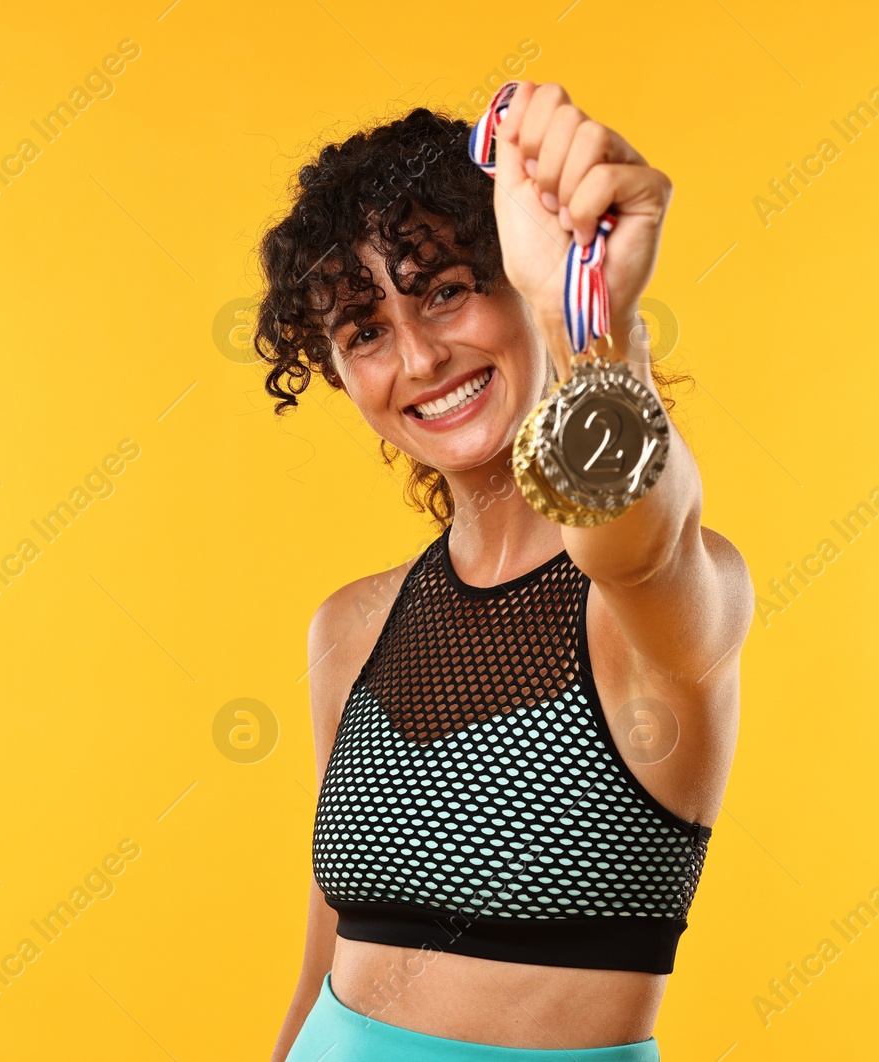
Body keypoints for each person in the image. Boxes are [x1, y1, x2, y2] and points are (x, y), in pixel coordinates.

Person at [254, 81, 753, 1061]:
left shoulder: (645, 608)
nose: (421, 356)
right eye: (364, 331)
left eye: (445, 288)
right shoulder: (351, 627)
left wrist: (587, 324)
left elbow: (636, 533)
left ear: (513, 279)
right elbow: (325, 957)